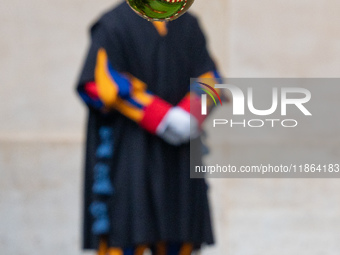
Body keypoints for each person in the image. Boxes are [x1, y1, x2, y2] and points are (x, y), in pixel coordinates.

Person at [76, 1, 223, 254]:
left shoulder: (188, 24)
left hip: (180, 156)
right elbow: (97, 82)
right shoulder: (113, 24)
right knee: (125, 236)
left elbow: (210, 78)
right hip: (129, 153)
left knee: (181, 235)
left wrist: (191, 113)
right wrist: (161, 116)